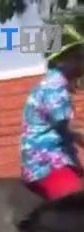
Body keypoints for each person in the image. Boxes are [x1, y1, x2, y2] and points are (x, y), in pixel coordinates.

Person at [21, 24, 84, 200]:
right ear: (64, 60)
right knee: (76, 209)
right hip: (47, 164)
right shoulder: (54, 88)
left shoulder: (58, 86)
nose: (82, 60)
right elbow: (73, 128)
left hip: (61, 160)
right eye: (78, 56)